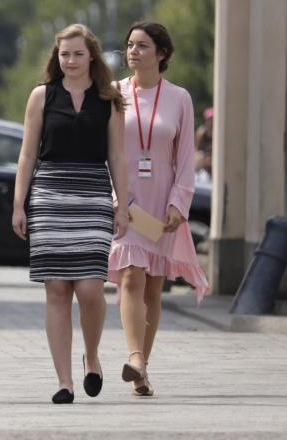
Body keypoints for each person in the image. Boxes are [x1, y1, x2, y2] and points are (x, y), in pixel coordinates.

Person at [11, 23, 129, 404]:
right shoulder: (41, 96)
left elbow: (118, 156)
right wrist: (19, 203)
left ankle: (91, 356)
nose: (71, 60)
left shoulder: (109, 99)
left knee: (92, 289)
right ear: (56, 58)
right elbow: (27, 154)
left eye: (78, 54)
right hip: (50, 195)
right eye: (65, 54)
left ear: (91, 56)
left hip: (93, 194)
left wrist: (122, 204)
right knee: (57, 289)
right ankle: (65, 382)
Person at [108, 21, 209, 397]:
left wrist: (178, 204)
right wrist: (117, 198)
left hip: (162, 204)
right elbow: (108, 151)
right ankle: (135, 357)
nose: (133, 51)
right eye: (129, 45)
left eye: (142, 46)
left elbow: (185, 158)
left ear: (161, 54)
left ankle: (142, 370)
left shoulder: (179, 98)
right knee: (132, 275)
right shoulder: (115, 93)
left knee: (153, 286)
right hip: (128, 201)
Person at [194, 106, 213, 181]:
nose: (211, 122)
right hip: (203, 168)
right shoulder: (201, 133)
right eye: (209, 120)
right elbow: (197, 152)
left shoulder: (219, 134)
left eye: (212, 119)